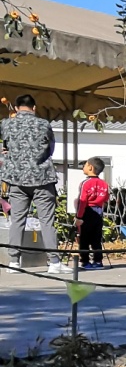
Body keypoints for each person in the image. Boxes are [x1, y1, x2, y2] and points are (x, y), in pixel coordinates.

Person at [1, 95, 65, 274]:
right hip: (42, 178)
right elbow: (51, 148)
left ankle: (14, 262)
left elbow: (4, 145)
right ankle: (54, 262)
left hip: (16, 179)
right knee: (47, 221)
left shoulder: (6, 124)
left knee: (17, 220)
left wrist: (8, 153)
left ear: (16, 108)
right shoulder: (44, 124)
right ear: (34, 108)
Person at [75, 158, 110, 269]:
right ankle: (98, 261)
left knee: (84, 238)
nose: (83, 167)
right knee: (96, 238)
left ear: (90, 167)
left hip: (87, 211)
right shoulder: (104, 184)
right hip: (98, 212)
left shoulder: (85, 183)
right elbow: (106, 199)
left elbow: (82, 201)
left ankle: (85, 261)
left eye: (85, 165)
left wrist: (78, 217)